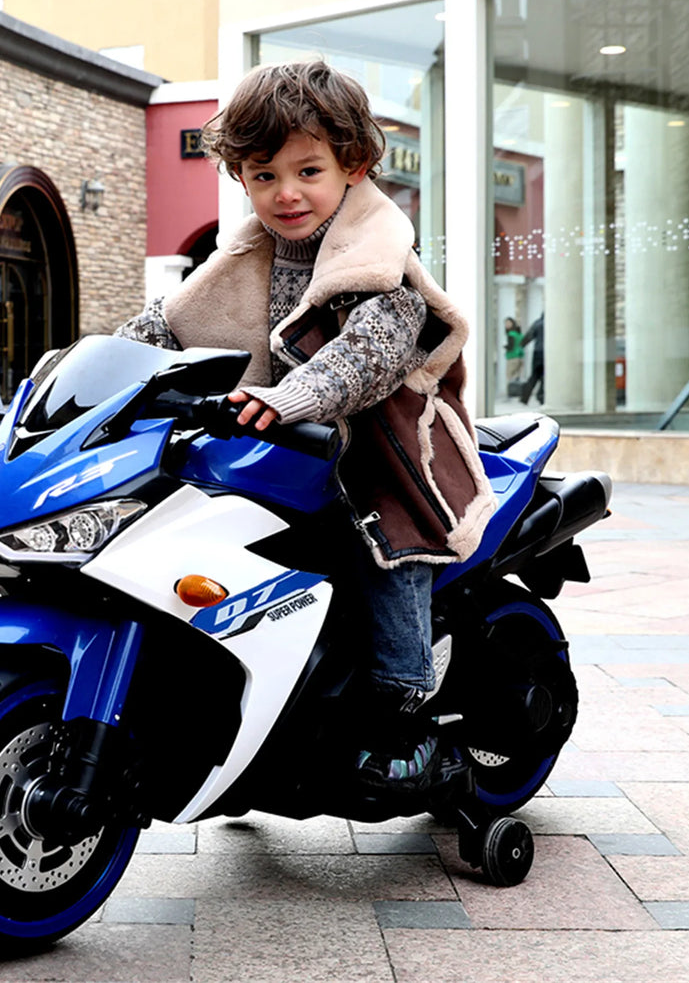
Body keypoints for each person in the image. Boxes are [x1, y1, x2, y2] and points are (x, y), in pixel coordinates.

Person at [115, 60, 495, 791]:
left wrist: (292, 398)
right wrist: (80, 373)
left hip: (386, 449)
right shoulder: (243, 256)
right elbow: (164, 325)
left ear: (354, 165)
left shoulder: (380, 262)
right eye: (264, 175)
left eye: (308, 171)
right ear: (241, 177)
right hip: (285, 450)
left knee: (383, 547)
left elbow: (366, 356)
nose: (285, 193)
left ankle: (405, 706)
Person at [519, 313, 544, 406]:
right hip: (547, 353)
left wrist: (522, 344)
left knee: (534, 376)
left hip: (537, 352)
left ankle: (524, 397)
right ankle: (541, 396)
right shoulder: (551, 323)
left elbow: (529, 336)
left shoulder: (537, 323)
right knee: (545, 376)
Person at [504, 317, 524, 396]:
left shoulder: (511, 334)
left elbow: (510, 346)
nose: (506, 325)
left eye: (508, 323)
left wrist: (505, 347)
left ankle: (510, 393)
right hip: (520, 357)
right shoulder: (519, 334)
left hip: (512, 357)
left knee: (509, 376)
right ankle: (517, 393)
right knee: (517, 377)